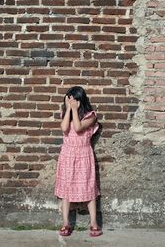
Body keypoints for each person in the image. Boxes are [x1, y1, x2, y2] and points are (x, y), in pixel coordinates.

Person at [55, 86, 102, 237]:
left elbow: (77, 127)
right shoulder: (65, 114)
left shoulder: (91, 116)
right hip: (67, 154)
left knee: (88, 188)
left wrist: (75, 110)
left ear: (80, 100)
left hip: (83, 154)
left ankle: (94, 222)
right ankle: (65, 223)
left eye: (73, 99)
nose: (71, 101)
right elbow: (64, 128)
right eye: (68, 99)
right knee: (66, 188)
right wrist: (68, 110)